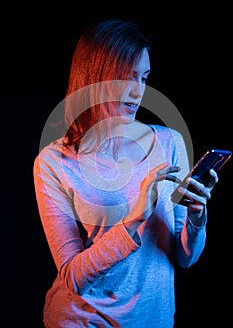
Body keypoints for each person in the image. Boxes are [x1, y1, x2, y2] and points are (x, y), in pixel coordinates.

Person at [33, 18, 218, 328]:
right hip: (82, 320)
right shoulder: (53, 163)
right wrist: (134, 218)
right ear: (93, 79)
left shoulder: (168, 142)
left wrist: (197, 218)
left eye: (144, 78)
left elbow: (184, 258)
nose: (138, 92)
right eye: (126, 78)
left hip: (153, 320)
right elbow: (74, 278)